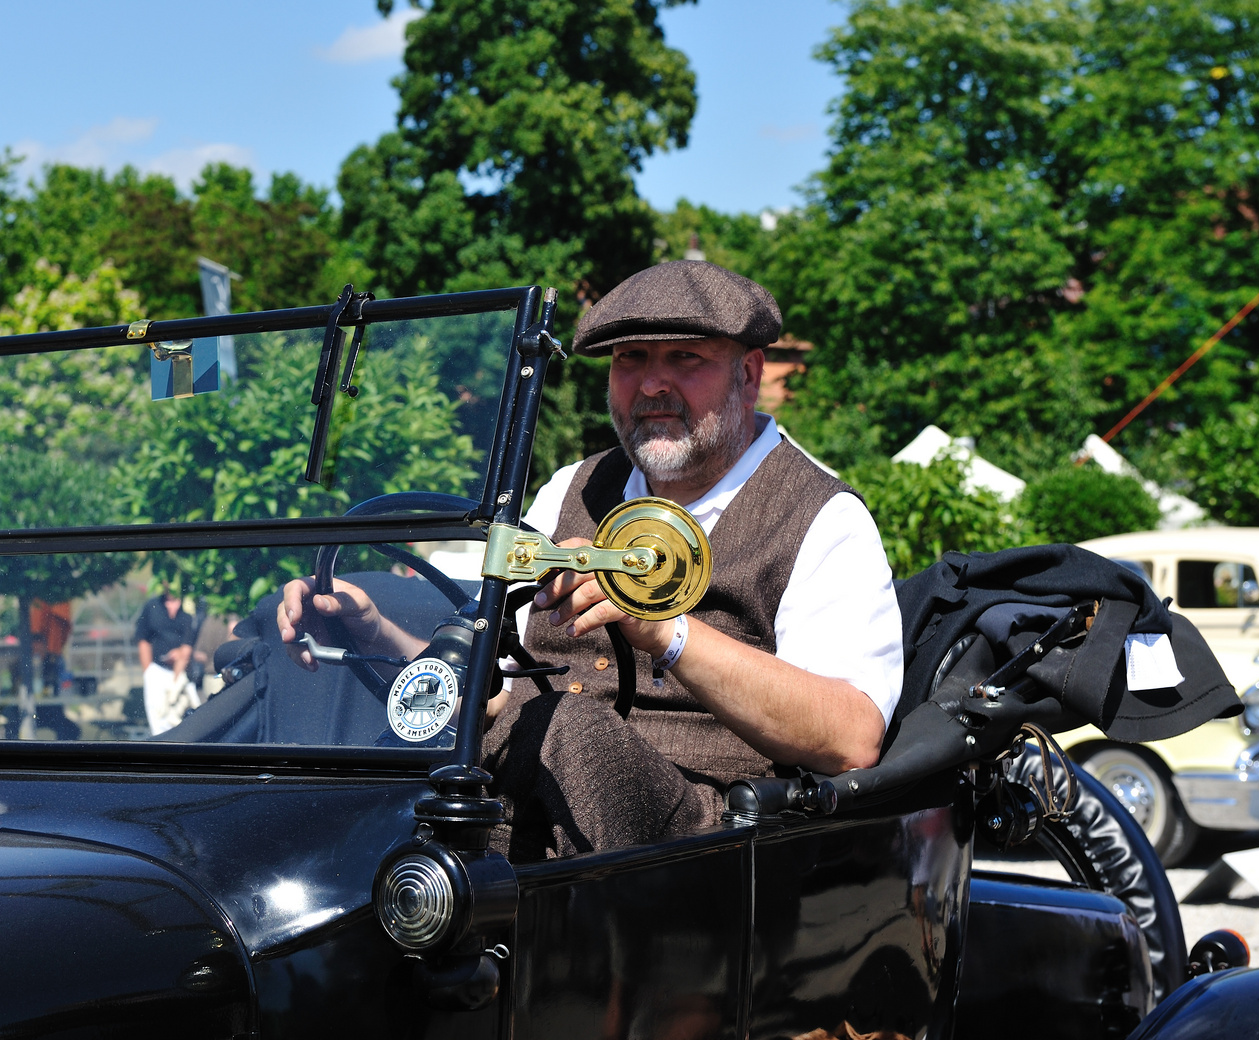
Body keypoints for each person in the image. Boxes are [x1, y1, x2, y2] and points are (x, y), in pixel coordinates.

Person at [279, 261, 904, 860]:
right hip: (523, 815)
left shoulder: (821, 515)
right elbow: (490, 692)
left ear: (748, 374)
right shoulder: (571, 490)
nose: (652, 384)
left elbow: (852, 739)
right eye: (631, 359)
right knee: (353, 757)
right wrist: (374, 633)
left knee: (564, 729)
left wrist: (663, 629)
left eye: (684, 358)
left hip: (700, 854)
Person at [134, 575, 202, 734]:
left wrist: (179, 659)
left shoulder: (190, 608)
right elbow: (142, 639)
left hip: (183, 673)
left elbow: (188, 647)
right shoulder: (152, 606)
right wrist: (148, 672)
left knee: (186, 722)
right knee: (158, 724)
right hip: (157, 671)